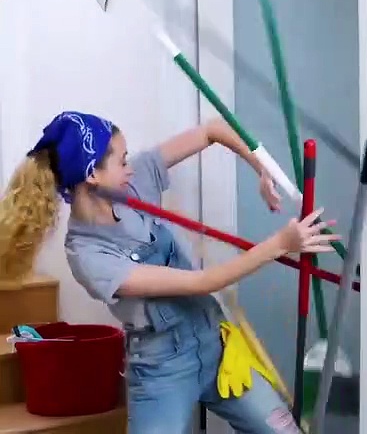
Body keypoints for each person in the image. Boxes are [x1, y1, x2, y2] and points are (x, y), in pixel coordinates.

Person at [0, 111, 341, 433]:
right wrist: (281, 243)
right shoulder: (87, 254)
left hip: (215, 343)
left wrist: (260, 167)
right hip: (162, 370)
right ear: (92, 175)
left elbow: (212, 129)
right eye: (122, 161)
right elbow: (203, 282)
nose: (130, 168)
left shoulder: (131, 185)